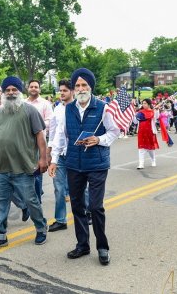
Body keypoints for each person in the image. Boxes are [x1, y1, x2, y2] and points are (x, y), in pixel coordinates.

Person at [48, 68, 119, 265]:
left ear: (90, 87)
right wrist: (54, 160)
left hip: (96, 164)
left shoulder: (103, 107)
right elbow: (61, 136)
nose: (80, 89)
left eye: (84, 85)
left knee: (95, 207)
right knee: (77, 206)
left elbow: (114, 131)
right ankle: (83, 245)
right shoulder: (67, 109)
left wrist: (99, 139)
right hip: (73, 164)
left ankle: (102, 247)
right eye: (77, 85)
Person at [0, 76, 48, 251]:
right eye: (8, 90)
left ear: (20, 91)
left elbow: (40, 137)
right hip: (2, 167)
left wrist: (43, 158)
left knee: (31, 200)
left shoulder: (29, 111)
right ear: (3, 93)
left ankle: (41, 227)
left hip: (24, 167)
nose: (11, 93)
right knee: (0, 202)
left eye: (14, 90)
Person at [47, 79, 74, 232]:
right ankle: (60, 220)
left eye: (64, 90)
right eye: (60, 90)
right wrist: (50, 152)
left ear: (72, 91)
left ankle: (86, 212)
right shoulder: (57, 109)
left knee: (80, 187)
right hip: (60, 154)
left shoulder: (77, 107)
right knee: (58, 188)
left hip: (75, 153)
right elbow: (54, 132)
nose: (61, 93)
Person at [24, 79, 53, 204]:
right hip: (25, 143)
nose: (34, 89)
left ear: (39, 89)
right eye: (31, 86)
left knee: (37, 172)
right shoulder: (22, 103)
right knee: (25, 173)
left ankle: (37, 201)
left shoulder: (45, 104)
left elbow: (50, 122)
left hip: (39, 142)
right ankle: (33, 194)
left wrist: (35, 126)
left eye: (36, 87)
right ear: (28, 88)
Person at [135, 98, 159, 169]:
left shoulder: (152, 111)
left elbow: (156, 117)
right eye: (143, 103)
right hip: (141, 132)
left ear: (149, 104)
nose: (143, 104)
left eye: (145, 103)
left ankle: (153, 160)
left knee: (150, 149)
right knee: (141, 148)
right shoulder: (140, 112)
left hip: (150, 132)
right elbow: (135, 121)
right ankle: (141, 164)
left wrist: (157, 110)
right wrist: (134, 114)